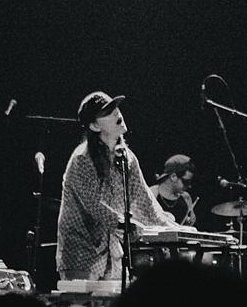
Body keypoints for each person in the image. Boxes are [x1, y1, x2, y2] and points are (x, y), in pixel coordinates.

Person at [56, 91, 176, 281]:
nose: (116, 113)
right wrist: (128, 224)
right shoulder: (82, 159)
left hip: (112, 253)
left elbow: (145, 202)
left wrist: (173, 229)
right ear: (95, 126)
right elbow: (95, 206)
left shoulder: (128, 158)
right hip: (80, 254)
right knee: (84, 301)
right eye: (108, 112)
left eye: (115, 108)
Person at [149, 154, 198, 226]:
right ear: (173, 177)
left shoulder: (186, 198)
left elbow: (188, 222)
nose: (189, 186)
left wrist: (189, 222)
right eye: (186, 182)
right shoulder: (151, 194)